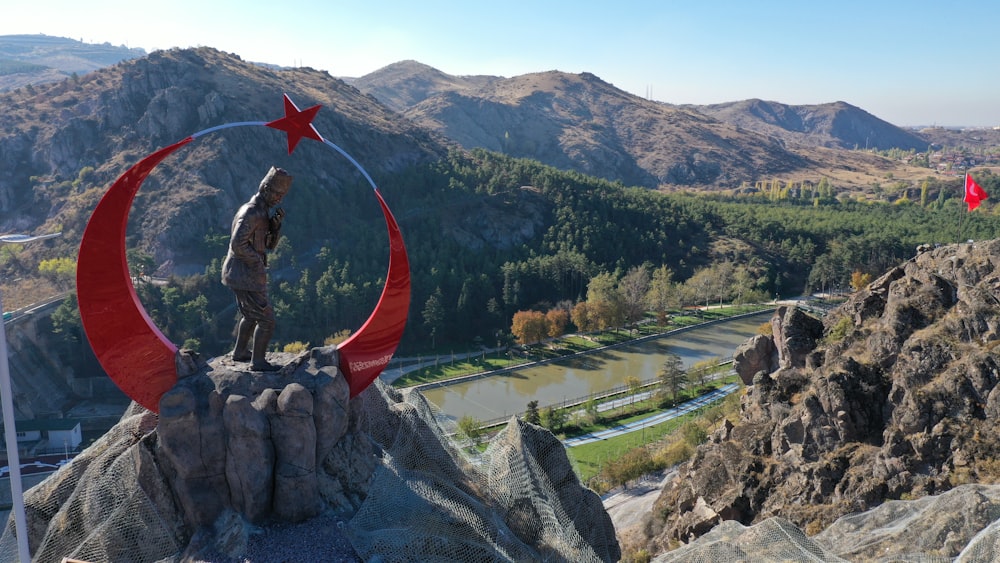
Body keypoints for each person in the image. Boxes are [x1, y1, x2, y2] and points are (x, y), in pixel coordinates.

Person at [221, 166, 292, 371]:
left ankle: (240, 352)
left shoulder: (262, 213)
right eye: (277, 194)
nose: (279, 199)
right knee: (267, 320)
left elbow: (268, 246)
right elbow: (237, 245)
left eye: (282, 195)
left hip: (243, 274)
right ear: (266, 188)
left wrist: (275, 226)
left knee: (251, 316)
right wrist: (256, 263)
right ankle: (258, 363)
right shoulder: (252, 212)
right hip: (244, 274)